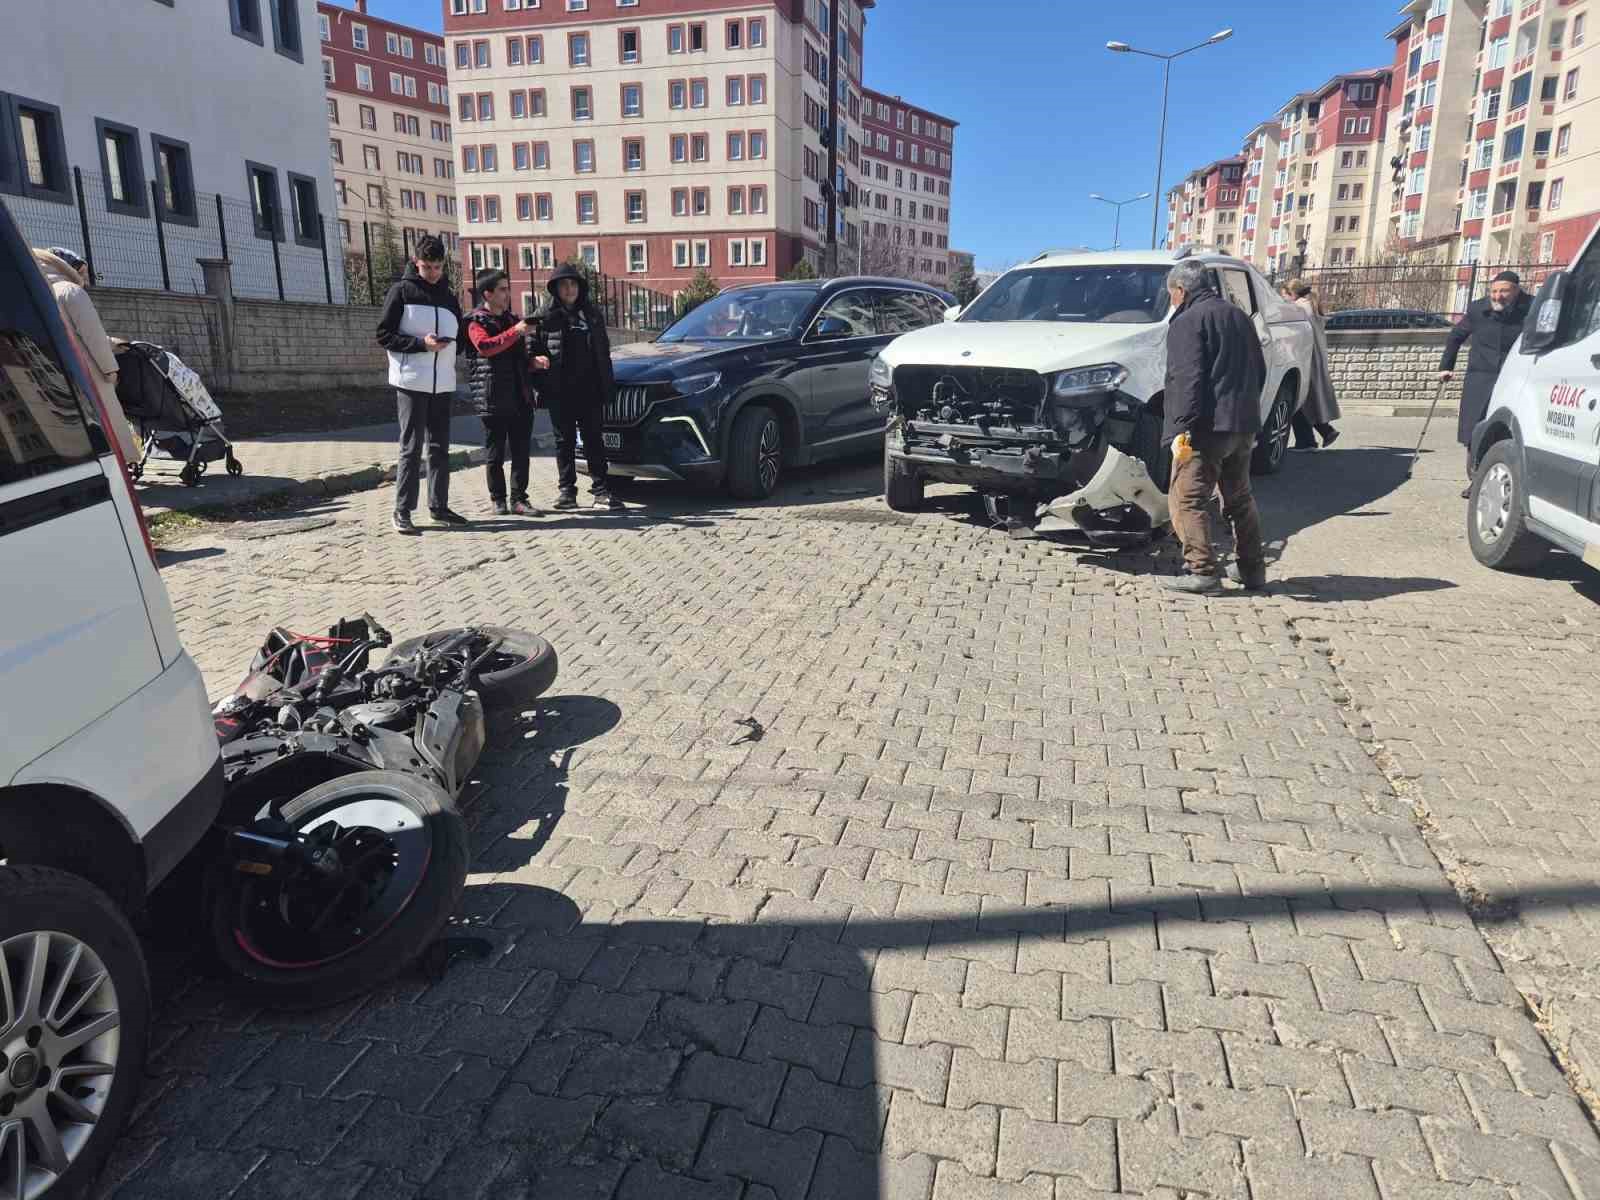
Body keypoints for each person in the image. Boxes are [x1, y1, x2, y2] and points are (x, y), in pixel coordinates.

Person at [1161, 259, 1269, 594]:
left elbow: (1187, 379)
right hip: (1243, 423)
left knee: (1186, 499)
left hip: (1206, 428)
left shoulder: (1188, 321)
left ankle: (1203, 572)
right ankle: (1252, 570)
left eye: (1171, 294)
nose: (1171, 301)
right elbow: (1259, 369)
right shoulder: (1239, 316)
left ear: (1181, 290)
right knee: (1239, 499)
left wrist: (1181, 428)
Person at [376, 235, 466, 535]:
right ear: (416, 263)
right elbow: (384, 335)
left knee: (440, 448)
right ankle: (402, 510)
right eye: (427, 267)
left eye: (438, 267)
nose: (433, 273)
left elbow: (461, 338)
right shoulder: (401, 292)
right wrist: (420, 344)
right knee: (411, 448)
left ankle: (439, 507)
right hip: (411, 381)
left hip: (443, 383)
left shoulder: (449, 297)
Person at [32, 247, 141, 463]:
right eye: (82, 271)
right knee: (108, 422)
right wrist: (110, 370)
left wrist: (112, 342)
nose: (86, 277)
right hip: (90, 372)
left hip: (60, 374)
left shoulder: (39, 294)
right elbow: (92, 336)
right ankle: (122, 464)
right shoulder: (71, 291)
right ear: (67, 267)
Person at [531, 262, 623, 510]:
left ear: (580, 287)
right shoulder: (544, 315)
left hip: (590, 389)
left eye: (573, 284)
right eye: (564, 285)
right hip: (559, 391)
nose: (569, 289)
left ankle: (601, 491)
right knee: (564, 441)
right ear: (555, 289)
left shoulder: (591, 315)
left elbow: (603, 352)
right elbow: (530, 347)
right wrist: (537, 365)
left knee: (594, 440)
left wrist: (607, 386)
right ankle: (567, 492)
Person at [463, 269, 549, 515]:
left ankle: (519, 499)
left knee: (521, 452)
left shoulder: (513, 319)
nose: (507, 293)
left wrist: (534, 362)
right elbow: (486, 347)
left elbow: (521, 357)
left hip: (520, 395)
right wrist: (517, 332)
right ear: (487, 294)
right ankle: (498, 499)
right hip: (492, 397)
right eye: (502, 289)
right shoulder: (476, 321)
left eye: (507, 288)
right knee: (496, 452)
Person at [1441, 270, 1532, 498]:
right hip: (1480, 377)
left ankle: (1508, 480)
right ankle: (1475, 479)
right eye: (1494, 291)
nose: (1498, 296)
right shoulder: (1477, 309)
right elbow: (1456, 336)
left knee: (1507, 429)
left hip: (1515, 377)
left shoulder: (1533, 307)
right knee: (1475, 431)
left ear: (1516, 291)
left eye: (1504, 291)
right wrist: (1446, 366)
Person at [1284, 278, 1341, 450]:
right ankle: (1321, 433)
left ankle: (1310, 439)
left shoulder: (1299, 308)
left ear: (1292, 294)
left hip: (1306, 358)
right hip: (1315, 357)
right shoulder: (1310, 305)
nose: (1284, 300)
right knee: (1306, 400)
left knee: (1299, 400)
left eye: (1285, 296)